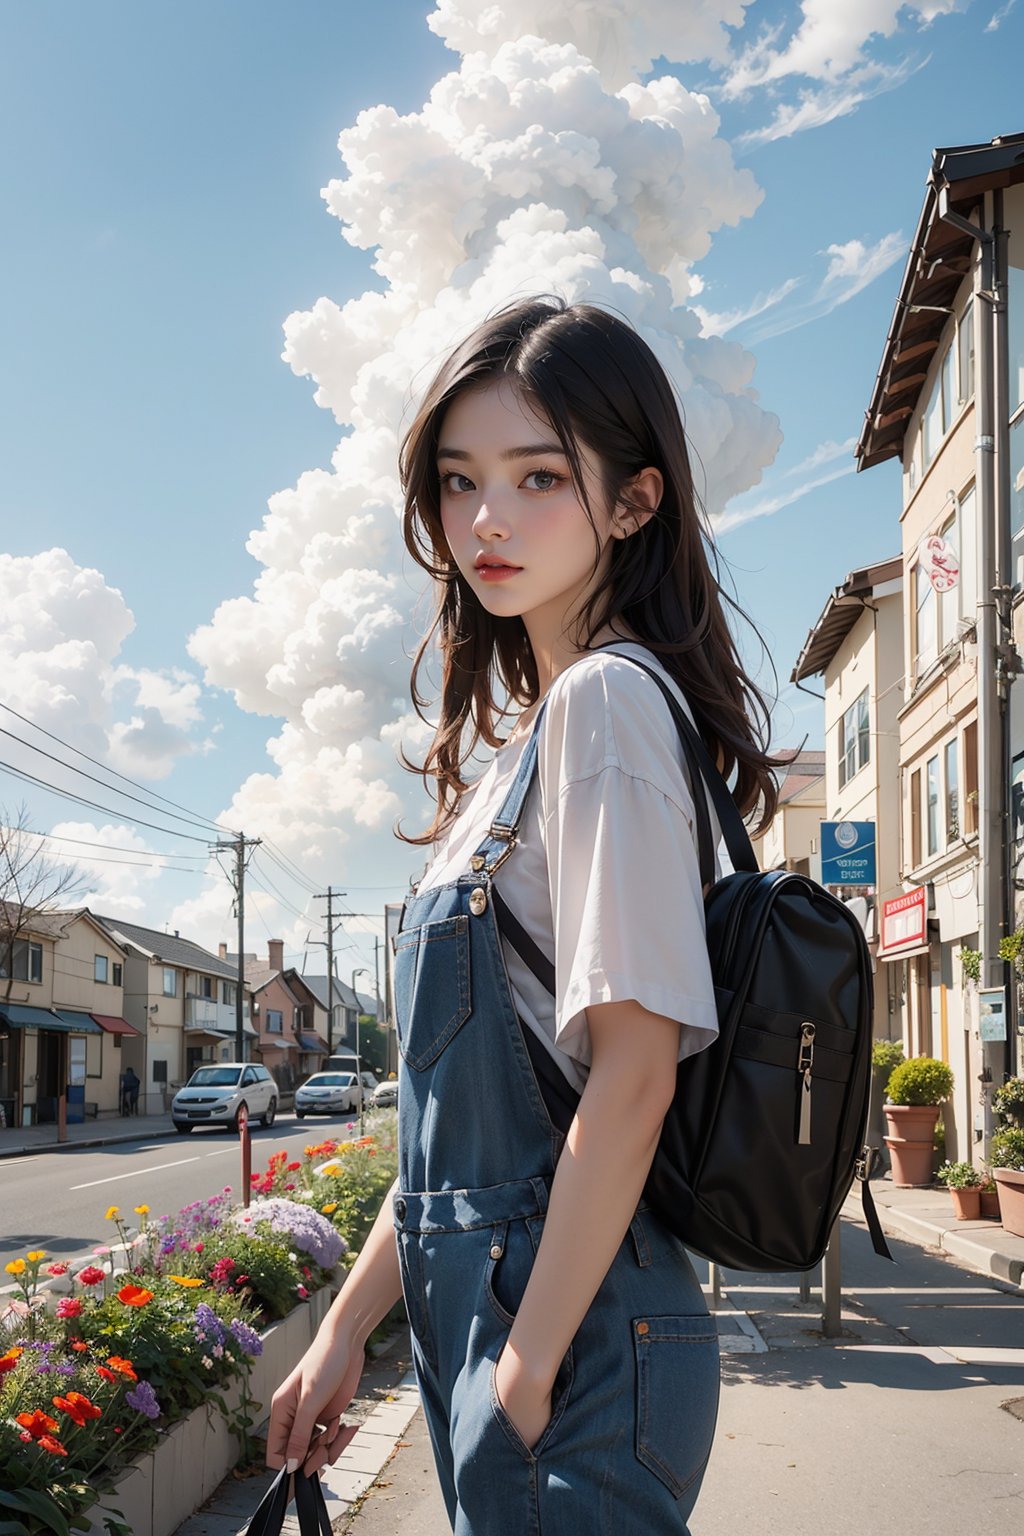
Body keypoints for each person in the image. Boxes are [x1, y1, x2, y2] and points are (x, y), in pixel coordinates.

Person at [267, 297, 781, 1532]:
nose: (484, 522)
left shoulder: (606, 704)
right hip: (506, 1321)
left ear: (633, 500)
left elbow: (634, 1074)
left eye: (537, 476)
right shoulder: (522, 747)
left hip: (571, 1332)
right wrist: (348, 1333)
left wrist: (531, 1367)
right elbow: (455, 1143)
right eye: (458, 482)